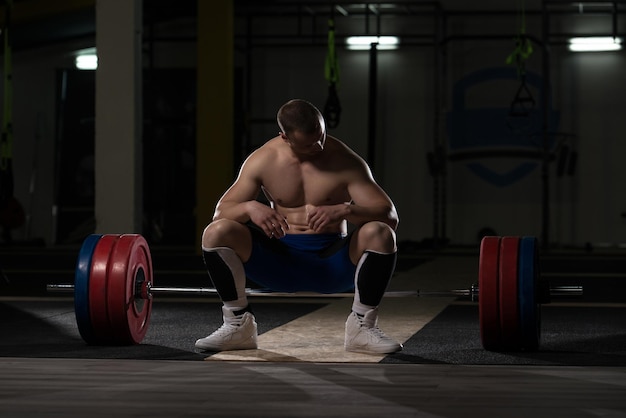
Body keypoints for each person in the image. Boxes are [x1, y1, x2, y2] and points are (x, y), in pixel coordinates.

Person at [195, 99, 401, 355]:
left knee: (381, 233)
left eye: (321, 137)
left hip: (333, 264)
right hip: (279, 262)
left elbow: (389, 215)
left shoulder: (345, 161)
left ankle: (362, 327)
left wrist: (346, 209)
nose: (319, 146)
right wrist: (250, 207)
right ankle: (238, 324)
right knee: (217, 232)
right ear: (284, 137)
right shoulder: (263, 160)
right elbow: (220, 214)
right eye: (309, 143)